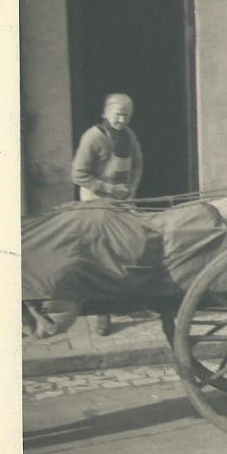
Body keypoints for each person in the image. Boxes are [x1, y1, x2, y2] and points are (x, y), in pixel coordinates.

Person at [71, 93, 144, 336]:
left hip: (122, 201)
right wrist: (110, 189)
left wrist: (131, 191)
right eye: (118, 114)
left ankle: (124, 299)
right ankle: (102, 313)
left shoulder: (129, 135)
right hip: (96, 201)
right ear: (105, 113)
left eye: (127, 115)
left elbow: (137, 166)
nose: (122, 119)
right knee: (102, 255)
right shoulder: (93, 137)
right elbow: (78, 175)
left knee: (128, 247)